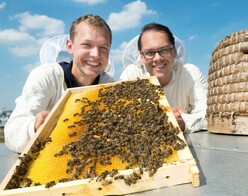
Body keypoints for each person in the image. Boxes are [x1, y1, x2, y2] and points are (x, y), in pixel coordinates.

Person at [5, 14, 114, 153]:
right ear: (70, 46)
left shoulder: (110, 85)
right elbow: (11, 133)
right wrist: (35, 126)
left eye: (103, 47)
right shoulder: (46, 76)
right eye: (87, 45)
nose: (96, 54)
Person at [120, 22, 207, 133]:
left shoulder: (189, 73)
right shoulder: (132, 74)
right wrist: (167, 117)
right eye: (149, 52)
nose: (157, 58)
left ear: (174, 51)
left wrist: (184, 121)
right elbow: (123, 120)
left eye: (164, 50)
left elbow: (208, 116)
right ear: (141, 57)